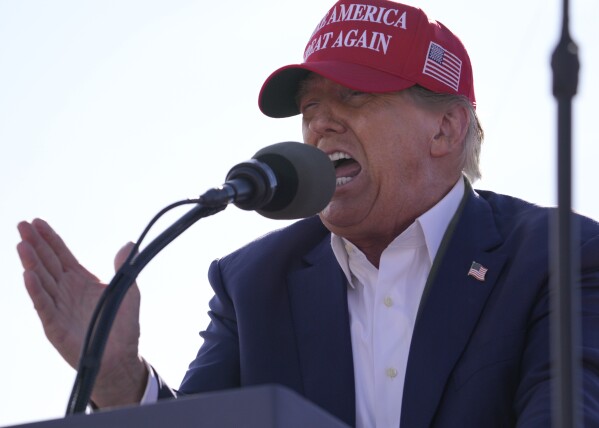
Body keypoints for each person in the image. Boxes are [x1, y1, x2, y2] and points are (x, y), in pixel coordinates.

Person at [16, 0, 599, 426]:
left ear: (446, 127)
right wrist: (119, 378)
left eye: (355, 98)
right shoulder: (253, 282)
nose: (321, 124)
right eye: (310, 106)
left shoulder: (558, 257)